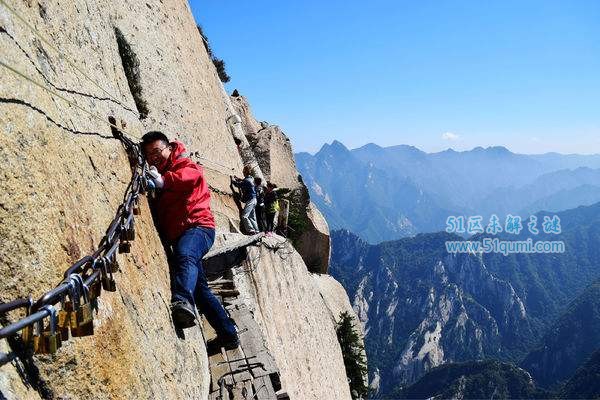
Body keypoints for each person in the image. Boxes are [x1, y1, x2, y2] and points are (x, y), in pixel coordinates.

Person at [142, 131, 239, 349]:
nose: (153, 157)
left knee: (186, 255)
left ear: (169, 148)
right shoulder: (160, 174)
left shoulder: (184, 165)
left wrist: (163, 181)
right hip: (181, 234)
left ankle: (182, 301)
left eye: (157, 151)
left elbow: (189, 178)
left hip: (198, 227)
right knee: (202, 291)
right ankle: (229, 335)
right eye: (148, 154)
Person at [231, 166, 259, 234]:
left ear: (245, 172)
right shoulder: (252, 179)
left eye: (243, 171)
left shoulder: (246, 181)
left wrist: (233, 180)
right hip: (254, 199)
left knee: (244, 216)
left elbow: (238, 185)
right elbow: (244, 181)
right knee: (252, 217)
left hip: (250, 200)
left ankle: (251, 230)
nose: (243, 172)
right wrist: (239, 179)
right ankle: (256, 230)